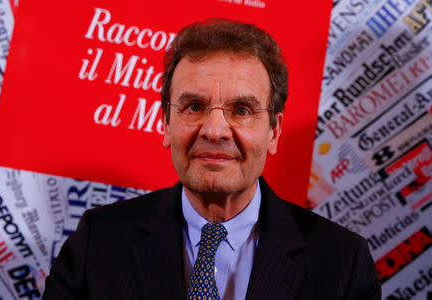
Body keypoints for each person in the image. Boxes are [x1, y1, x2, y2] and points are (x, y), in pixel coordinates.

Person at [43, 19, 381, 300]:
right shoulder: (97, 243)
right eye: (194, 107)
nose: (215, 130)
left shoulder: (342, 264)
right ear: (166, 124)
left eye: (242, 110)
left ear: (274, 131)